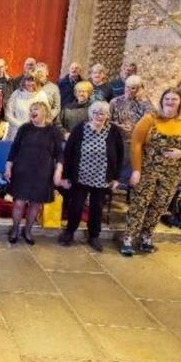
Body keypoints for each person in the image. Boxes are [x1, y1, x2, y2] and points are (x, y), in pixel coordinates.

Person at [123, 88, 181, 256]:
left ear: (180, 102)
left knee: (160, 205)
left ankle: (146, 236)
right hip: (148, 170)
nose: (170, 102)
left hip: (172, 173)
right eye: (167, 98)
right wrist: (136, 170)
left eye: (174, 99)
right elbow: (136, 145)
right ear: (162, 100)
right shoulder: (150, 119)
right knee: (139, 203)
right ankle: (129, 237)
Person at [56, 101, 125, 251]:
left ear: (107, 115)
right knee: (76, 206)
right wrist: (65, 175)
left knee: (97, 208)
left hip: (102, 176)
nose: (98, 116)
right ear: (90, 114)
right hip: (80, 175)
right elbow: (68, 152)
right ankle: (69, 232)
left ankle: (94, 236)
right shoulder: (80, 129)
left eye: (102, 113)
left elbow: (120, 156)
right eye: (95, 113)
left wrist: (116, 178)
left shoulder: (114, 131)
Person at [4, 102, 64, 245]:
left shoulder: (54, 131)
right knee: (18, 202)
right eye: (31, 110)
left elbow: (59, 153)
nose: (32, 111)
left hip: (43, 172)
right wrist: (8, 167)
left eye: (35, 109)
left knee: (35, 204)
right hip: (22, 170)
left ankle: (28, 230)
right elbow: (14, 148)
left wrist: (59, 170)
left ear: (45, 112)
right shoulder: (24, 128)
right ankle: (15, 229)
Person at [4, 74, 48, 140]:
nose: (30, 83)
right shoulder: (16, 94)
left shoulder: (42, 95)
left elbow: (46, 114)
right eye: (28, 80)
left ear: (37, 82)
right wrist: (21, 125)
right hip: (17, 130)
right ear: (24, 81)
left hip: (36, 132)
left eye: (32, 81)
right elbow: (8, 114)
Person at [109, 75, 152, 140]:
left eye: (133, 88)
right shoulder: (114, 102)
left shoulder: (143, 103)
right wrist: (119, 126)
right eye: (127, 87)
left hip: (137, 138)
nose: (128, 90)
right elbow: (107, 121)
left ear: (139, 89)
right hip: (118, 138)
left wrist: (144, 98)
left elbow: (150, 120)